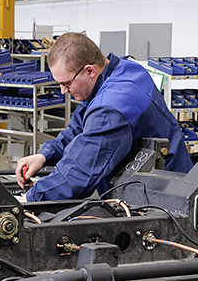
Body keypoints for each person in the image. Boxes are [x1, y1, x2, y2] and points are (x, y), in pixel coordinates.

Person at [16, 32, 193, 202]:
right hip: (159, 186)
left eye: (66, 83)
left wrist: (31, 198)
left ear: (89, 71)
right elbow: (79, 130)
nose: (63, 91)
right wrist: (44, 156)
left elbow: (80, 173)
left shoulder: (112, 106)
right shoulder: (122, 71)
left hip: (166, 197)